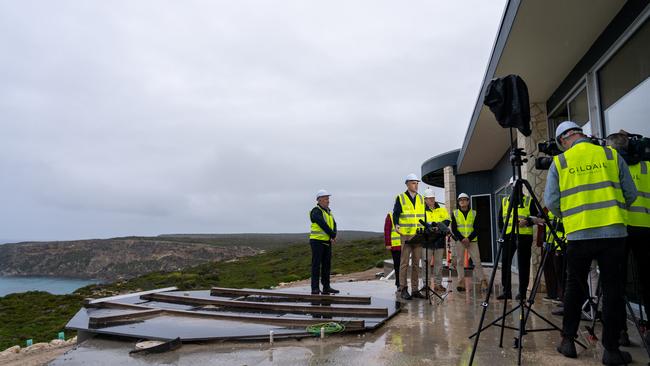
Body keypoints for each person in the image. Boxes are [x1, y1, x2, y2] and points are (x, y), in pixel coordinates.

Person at [546, 121, 637, 364]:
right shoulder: (610, 154)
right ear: (580, 133)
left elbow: (552, 202)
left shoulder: (561, 162)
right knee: (613, 290)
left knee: (575, 288)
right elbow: (631, 193)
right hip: (613, 233)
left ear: (563, 140)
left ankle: (568, 342)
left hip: (579, 235)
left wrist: (572, 216)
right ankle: (612, 350)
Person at [606, 131, 650, 346]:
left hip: (620, 229)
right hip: (646, 229)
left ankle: (620, 331)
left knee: (616, 283)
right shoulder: (647, 167)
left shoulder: (612, 168)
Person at [497, 178, 538, 300]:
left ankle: (522, 292)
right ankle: (506, 291)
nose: (515, 188)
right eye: (513, 186)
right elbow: (500, 220)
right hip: (508, 236)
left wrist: (527, 221)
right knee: (505, 263)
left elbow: (537, 218)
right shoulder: (505, 201)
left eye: (518, 186)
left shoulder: (528, 201)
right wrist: (502, 233)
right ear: (510, 186)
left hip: (524, 236)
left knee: (523, 264)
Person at [393, 173, 426, 300]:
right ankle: (403, 288)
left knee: (417, 264)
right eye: (413, 183)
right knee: (404, 263)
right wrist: (396, 225)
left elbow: (423, 216)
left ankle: (415, 289)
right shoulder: (400, 198)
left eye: (417, 183)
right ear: (407, 184)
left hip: (418, 235)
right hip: (406, 235)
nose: (416, 185)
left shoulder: (421, 198)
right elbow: (396, 213)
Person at [451, 193, 488, 292]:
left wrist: (469, 238)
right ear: (458, 202)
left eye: (464, 199)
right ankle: (461, 282)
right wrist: (462, 238)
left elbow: (477, 228)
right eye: (460, 200)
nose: (462, 201)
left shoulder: (474, 213)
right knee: (459, 262)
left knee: (477, 261)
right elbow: (454, 229)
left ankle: (483, 282)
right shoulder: (455, 213)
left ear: (468, 201)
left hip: (472, 241)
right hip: (460, 241)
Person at [309, 189, 339, 295]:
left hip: (327, 242)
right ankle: (315, 288)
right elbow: (322, 224)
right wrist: (332, 234)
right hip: (317, 241)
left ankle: (326, 287)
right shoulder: (315, 211)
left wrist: (333, 234)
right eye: (326, 199)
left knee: (327, 265)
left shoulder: (329, 211)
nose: (328, 201)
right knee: (316, 265)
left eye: (328, 199)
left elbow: (334, 224)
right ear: (319, 200)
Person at [423, 188, 451, 292]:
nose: (431, 200)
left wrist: (438, 227)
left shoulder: (442, 210)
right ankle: (426, 285)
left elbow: (447, 221)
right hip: (427, 241)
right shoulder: (422, 211)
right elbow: (420, 223)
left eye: (433, 198)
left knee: (439, 264)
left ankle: (438, 284)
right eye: (429, 198)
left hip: (439, 240)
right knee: (426, 264)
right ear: (425, 200)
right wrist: (430, 228)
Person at [384, 212, 402, 289]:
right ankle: (398, 283)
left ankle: (403, 283)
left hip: (406, 244)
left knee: (404, 265)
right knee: (397, 265)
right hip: (396, 246)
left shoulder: (407, 214)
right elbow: (387, 230)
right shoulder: (390, 215)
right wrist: (388, 243)